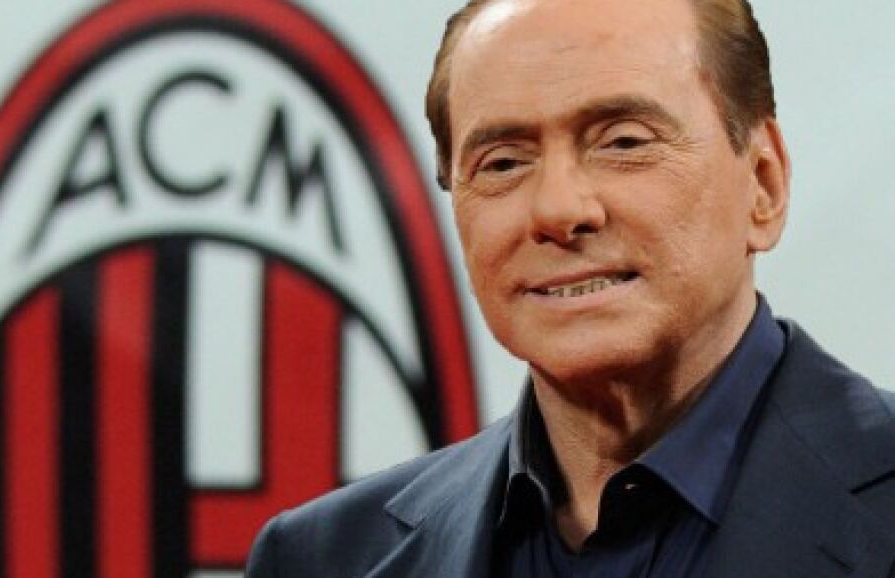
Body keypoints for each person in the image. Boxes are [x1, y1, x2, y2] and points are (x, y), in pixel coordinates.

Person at [246, 0, 895, 575]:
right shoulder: (322, 558)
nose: (558, 210)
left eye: (623, 142)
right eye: (503, 162)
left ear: (764, 184)